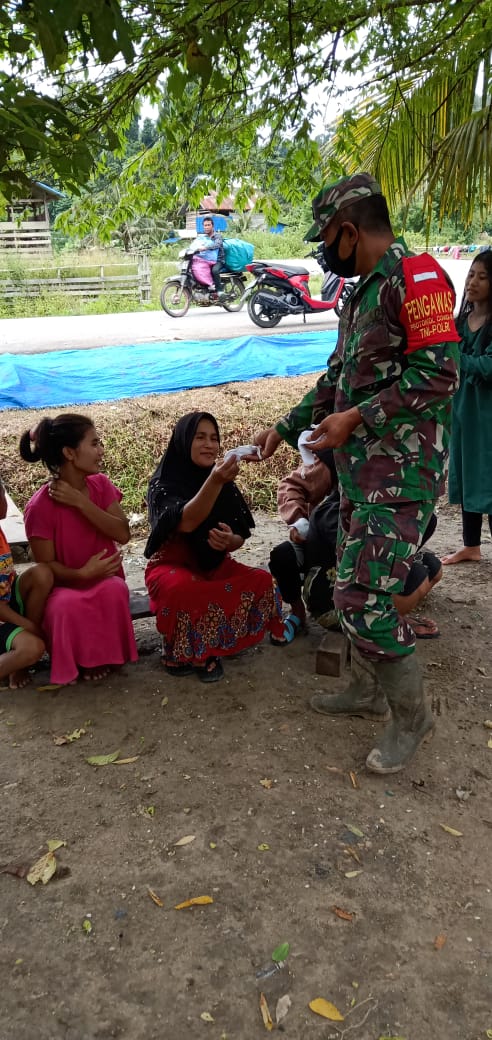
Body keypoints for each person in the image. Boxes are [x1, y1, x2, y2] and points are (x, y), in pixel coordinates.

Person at [252, 173, 460, 774]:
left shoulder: (416, 277)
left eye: (326, 237)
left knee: (359, 594)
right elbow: (337, 377)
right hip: (360, 474)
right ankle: (368, 692)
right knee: (351, 577)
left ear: (349, 229)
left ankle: (413, 714)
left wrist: (355, 418)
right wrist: (286, 427)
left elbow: (438, 376)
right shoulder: (361, 292)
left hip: (402, 472)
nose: (323, 249)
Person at [144, 412, 291, 683]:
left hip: (214, 565)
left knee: (264, 582)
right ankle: (185, 648)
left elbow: (240, 536)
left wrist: (229, 541)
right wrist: (214, 481)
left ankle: (214, 639)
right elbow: (185, 523)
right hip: (172, 567)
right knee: (185, 591)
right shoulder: (163, 485)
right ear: (183, 441)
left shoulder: (222, 483)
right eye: (200, 437)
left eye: (214, 438)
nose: (209, 445)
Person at [20, 414, 138, 685]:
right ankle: (78, 661)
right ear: (70, 453)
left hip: (104, 578)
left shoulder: (100, 486)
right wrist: (82, 575)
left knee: (114, 589)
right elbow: (46, 567)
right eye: (94, 444)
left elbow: (123, 533)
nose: (101, 451)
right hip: (64, 586)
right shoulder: (40, 507)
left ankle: (102, 656)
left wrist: (81, 503)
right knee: (66, 604)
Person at [442, 250, 492, 565]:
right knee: (466, 471)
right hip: (463, 412)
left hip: (487, 414)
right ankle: (471, 545)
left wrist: (454, 358)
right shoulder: (460, 322)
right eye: (471, 274)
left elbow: (488, 366)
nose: (472, 282)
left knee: (488, 473)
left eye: (482, 277)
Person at [0, 477, 53, 689]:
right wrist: (30, 626)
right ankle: (15, 661)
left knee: (42, 573)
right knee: (33, 648)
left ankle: (17, 661)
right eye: (3, 495)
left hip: (7, 598)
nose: (5, 500)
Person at [201, 215, 226, 299]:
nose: (207, 227)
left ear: (212, 226)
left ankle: (219, 291)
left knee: (214, 270)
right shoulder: (203, 238)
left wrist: (206, 247)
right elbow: (197, 245)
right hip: (208, 260)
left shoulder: (217, 236)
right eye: (205, 225)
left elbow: (217, 244)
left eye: (208, 225)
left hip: (218, 260)